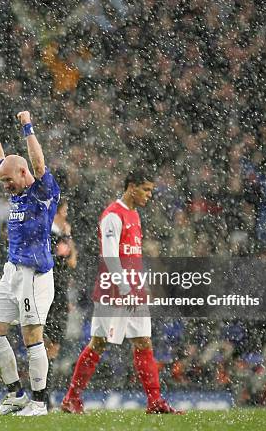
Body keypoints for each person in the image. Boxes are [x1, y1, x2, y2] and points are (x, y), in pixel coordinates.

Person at [61, 169, 182, 414]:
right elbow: (109, 255)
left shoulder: (134, 215)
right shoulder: (112, 216)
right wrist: (124, 286)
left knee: (143, 341)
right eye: (146, 189)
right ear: (131, 187)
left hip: (133, 288)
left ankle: (155, 402)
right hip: (113, 289)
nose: (149, 195)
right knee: (99, 343)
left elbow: (131, 255)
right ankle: (71, 398)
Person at [0, 105, 60, 416]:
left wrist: (28, 126)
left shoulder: (43, 190)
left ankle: (39, 402)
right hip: (12, 271)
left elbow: (39, 163)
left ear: (23, 173)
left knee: (31, 337)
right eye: (2, 182)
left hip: (34, 274)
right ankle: (15, 395)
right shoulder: (15, 192)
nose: (5, 186)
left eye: (8, 180)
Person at [44, 199, 77, 407]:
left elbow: (72, 261)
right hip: (47, 294)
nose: (66, 215)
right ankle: (41, 394)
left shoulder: (61, 235)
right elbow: (66, 258)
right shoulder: (48, 234)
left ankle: (45, 395)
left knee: (53, 346)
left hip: (60, 296)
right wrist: (65, 237)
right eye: (64, 211)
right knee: (44, 344)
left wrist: (68, 236)